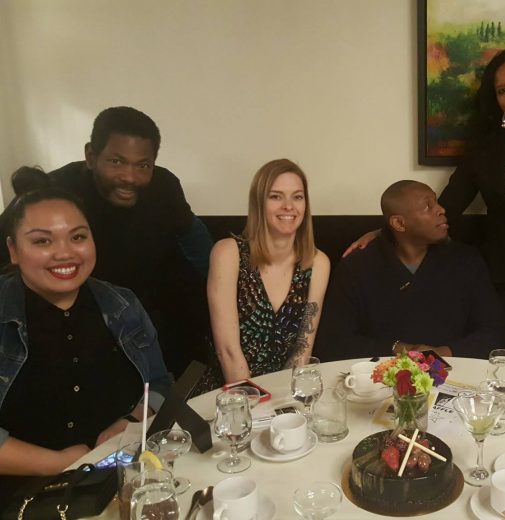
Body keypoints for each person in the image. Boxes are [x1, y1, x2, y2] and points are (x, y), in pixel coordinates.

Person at [345, 47, 505, 345]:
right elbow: (449, 204)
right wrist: (385, 230)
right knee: (502, 366)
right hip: (502, 280)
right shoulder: (486, 146)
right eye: (502, 90)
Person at [0, 172, 170, 500]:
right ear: (14, 249)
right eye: (42, 241)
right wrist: (58, 463)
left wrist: (133, 419)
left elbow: (159, 383)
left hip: (119, 482)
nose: (65, 253)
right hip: (19, 499)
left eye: (77, 237)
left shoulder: (122, 304)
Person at [43, 106, 214, 377]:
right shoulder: (53, 193)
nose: (130, 177)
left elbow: (197, 243)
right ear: (90, 156)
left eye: (142, 165)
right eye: (116, 162)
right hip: (86, 319)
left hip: (162, 312)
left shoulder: (165, 187)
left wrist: (229, 293)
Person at [316, 180, 505, 361]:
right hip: (379, 379)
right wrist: (399, 349)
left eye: (437, 202)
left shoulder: (466, 261)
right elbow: (334, 341)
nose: (441, 209)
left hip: (458, 375)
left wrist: (443, 353)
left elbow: (493, 331)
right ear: (399, 223)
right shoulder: (357, 266)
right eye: (427, 207)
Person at [201, 159, 329, 388]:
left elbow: (302, 349)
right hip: (230, 394)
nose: (289, 206)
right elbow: (228, 352)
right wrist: (254, 404)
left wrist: (287, 407)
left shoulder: (318, 262)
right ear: (259, 203)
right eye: (276, 196)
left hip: (283, 392)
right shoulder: (228, 253)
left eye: (297, 196)